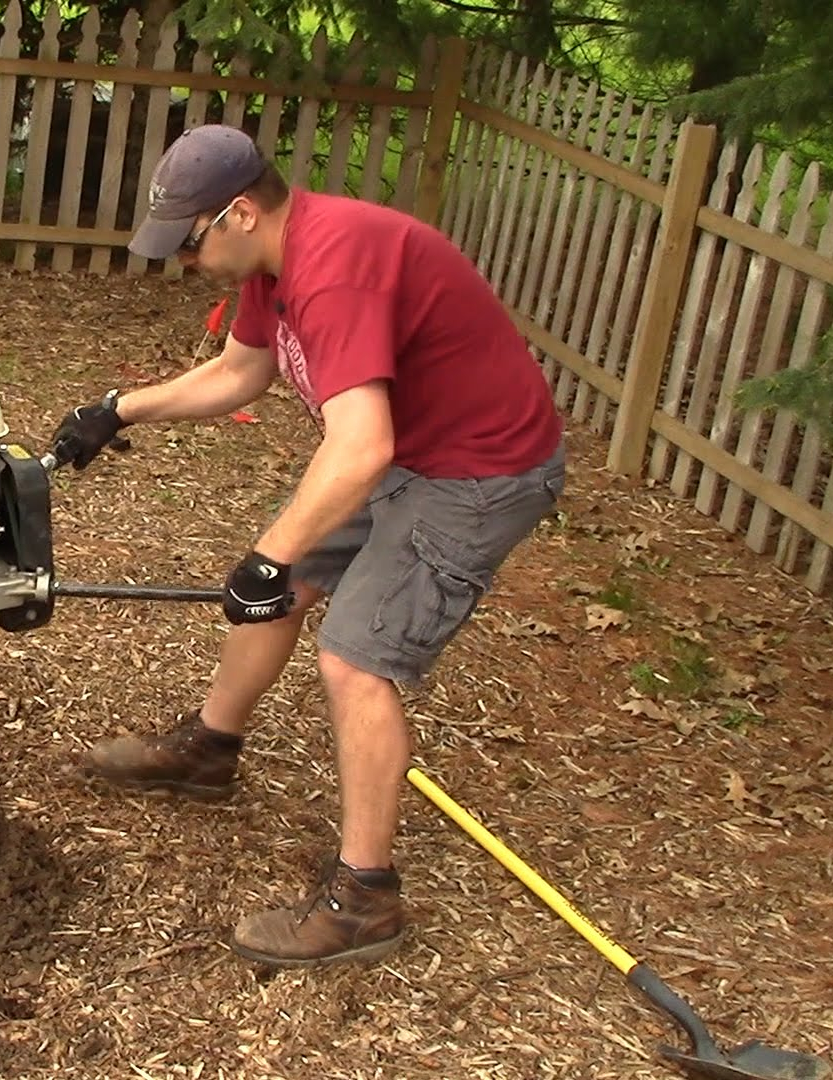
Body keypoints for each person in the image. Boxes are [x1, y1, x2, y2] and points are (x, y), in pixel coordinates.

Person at [50, 124, 565, 968]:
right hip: (408, 452)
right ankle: (206, 753)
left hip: (477, 472)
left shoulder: (334, 271)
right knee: (279, 586)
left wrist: (268, 552)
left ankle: (365, 901)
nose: (181, 259)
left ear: (240, 213)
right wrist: (120, 409)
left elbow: (360, 445)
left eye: (189, 240)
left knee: (355, 660)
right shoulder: (274, 260)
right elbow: (240, 373)